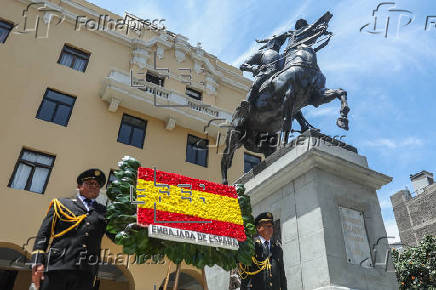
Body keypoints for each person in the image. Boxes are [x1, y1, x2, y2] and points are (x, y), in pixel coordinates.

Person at [31, 168, 107, 290]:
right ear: (79, 186)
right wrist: (37, 262)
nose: (94, 186)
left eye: (97, 185)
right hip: (57, 267)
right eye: (90, 183)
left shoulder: (104, 212)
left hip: (86, 272)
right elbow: (43, 234)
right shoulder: (62, 204)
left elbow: (116, 235)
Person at [240, 212, 287, 290]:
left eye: (272, 226)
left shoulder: (277, 249)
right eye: (268, 226)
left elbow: (282, 276)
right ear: (258, 228)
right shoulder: (251, 248)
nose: (271, 229)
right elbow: (245, 278)